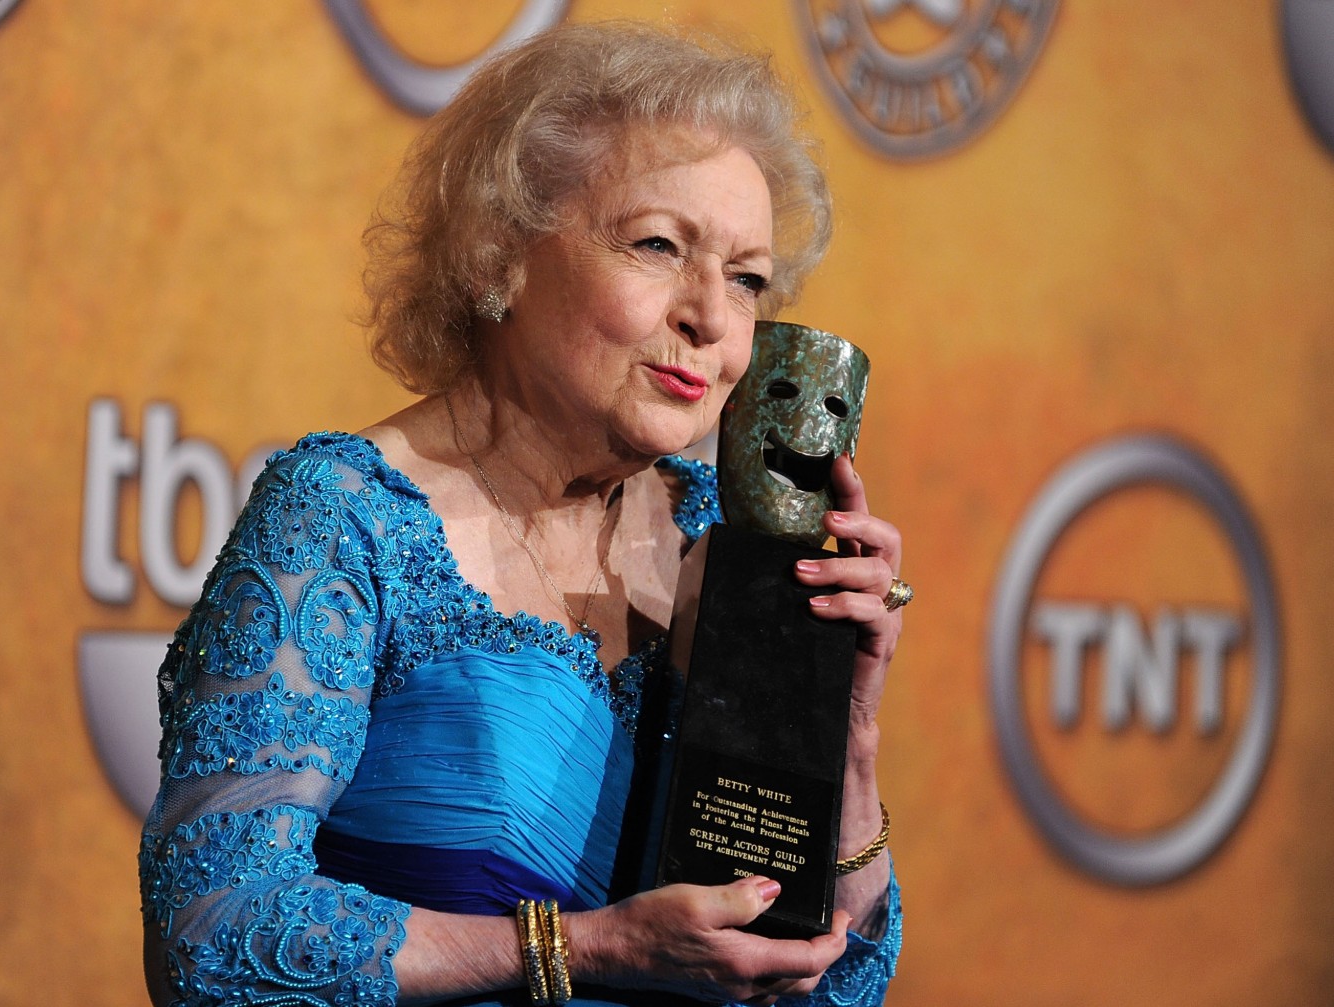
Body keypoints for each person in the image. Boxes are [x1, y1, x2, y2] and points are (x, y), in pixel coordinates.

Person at [140, 21, 907, 1007]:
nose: (712, 318)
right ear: (504, 251)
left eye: (747, 278)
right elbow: (213, 939)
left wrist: (844, 731)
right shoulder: (345, 517)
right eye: (659, 246)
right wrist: (583, 948)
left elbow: (833, 983)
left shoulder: (723, 545)